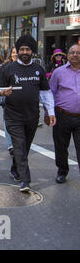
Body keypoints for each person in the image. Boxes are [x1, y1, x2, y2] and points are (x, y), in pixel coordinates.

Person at [0, 34, 56, 192]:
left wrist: (50, 112)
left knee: (25, 147)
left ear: (32, 51)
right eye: (21, 49)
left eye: (27, 49)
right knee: (19, 147)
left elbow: (46, 93)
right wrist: (2, 93)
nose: (24, 52)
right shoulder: (9, 68)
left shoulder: (38, 70)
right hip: (13, 116)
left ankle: (16, 168)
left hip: (32, 116)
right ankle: (25, 181)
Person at [48, 43, 80, 184]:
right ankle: (62, 171)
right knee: (61, 146)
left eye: (78, 52)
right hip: (62, 115)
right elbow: (50, 93)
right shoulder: (59, 72)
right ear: (68, 55)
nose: (75, 55)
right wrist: (49, 113)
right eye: (72, 52)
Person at [0, 46, 19, 158]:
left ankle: (18, 144)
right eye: (13, 52)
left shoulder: (25, 67)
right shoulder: (6, 66)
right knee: (8, 122)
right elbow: (1, 82)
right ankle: (10, 145)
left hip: (21, 101)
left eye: (17, 52)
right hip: (7, 99)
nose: (15, 54)